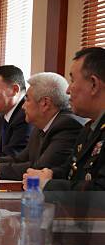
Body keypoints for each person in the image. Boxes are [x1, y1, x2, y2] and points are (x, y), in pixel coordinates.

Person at [0, 72, 84, 180]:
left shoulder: (67, 125)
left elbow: (38, 169)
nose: (23, 106)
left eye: (27, 100)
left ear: (45, 103)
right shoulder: (40, 125)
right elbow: (19, 159)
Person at [26, 47, 105, 191]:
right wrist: (49, 174)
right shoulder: (89, 128)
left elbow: (100, 191)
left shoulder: (71, 124)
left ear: (93, 84)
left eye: (73, 80)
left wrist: (48, 184)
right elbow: (71, 171)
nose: (68, 90)